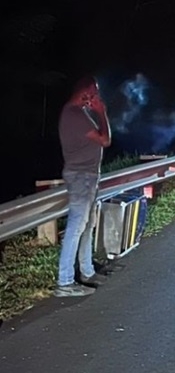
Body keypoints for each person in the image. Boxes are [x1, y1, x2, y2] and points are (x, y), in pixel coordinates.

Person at [54, 76, 112, 297]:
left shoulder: (81, 113)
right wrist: (102, 112)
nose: (97, 96)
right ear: (84, 92)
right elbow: (105, 140)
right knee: (77, 225)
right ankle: (65, 281)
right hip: (80, 178)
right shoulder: (74, 114)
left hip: (89, 176)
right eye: (94, 91)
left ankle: (86, 271)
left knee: (87, 225)